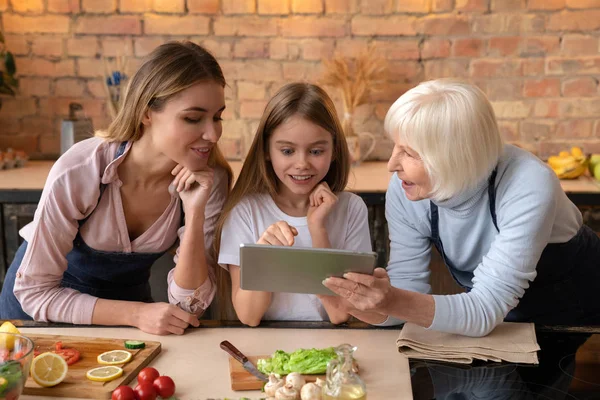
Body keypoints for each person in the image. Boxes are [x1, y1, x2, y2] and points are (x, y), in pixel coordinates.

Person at [323, 79, 600, 336]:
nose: (392, 165)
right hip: (493, 315)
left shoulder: (528, 184)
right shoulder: (407, 187)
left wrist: (392, 300)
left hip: (577, 311)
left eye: (409, 153)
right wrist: (366, 304)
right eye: (396, 147)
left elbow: (482, 309)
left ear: (453, 158)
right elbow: (407, 290)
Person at [0, 41, 232, 335]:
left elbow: (190, 306)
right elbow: (35, 292)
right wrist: (136, 313)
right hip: (38, 316)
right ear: (147, 113)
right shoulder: (82, 170)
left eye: (217, 117)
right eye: (193, 118)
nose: (212, 134)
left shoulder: (210, 179)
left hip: (128, 320)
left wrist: (195, 211)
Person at [215, 83, 372, 326]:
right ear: (267, 150)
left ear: (335, 151)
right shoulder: (245, 211)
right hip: (270, 352)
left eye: (316, 151)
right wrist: (264, 256)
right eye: (287, 151)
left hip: (332, 346)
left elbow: (341, 314)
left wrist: (317, 228)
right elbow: (248, 316)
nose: (302, 164)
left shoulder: (351, 209)